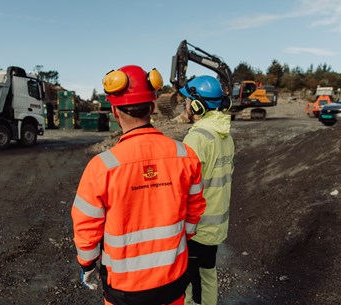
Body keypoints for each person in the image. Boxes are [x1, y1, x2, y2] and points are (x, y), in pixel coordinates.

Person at [71, 65, 207, 305]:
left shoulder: (102, 167)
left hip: (125, 290)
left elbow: (86, 227)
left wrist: (88, 263)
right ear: (153, 107)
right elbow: (194, 211)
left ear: (114, 111)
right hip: (173, 282)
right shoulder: (186, 155)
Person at [180, 75, 235, 305]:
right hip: (216, 226)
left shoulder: (197, 138)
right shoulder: (225, 135)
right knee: (208, 275)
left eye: (186, 100)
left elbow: (183, 187)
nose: (184, 105)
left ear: (196, 105)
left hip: (198, 228)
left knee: (193, 283)